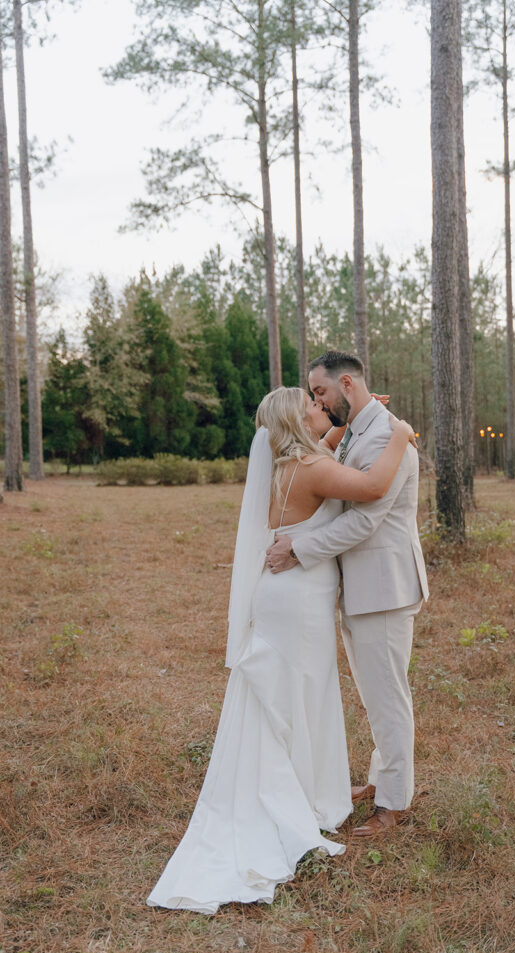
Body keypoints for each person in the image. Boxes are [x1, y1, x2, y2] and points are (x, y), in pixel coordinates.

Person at [147, 386, 415, 913]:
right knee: (296, 692)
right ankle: (291, 797)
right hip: (297, 601)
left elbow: (330, 438)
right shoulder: (313, 470)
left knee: (292, 693)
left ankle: (304, 789)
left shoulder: (292, 464)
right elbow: (374, 483)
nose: (324, 411)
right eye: (315, 408)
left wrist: (358, 416)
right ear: (299, 422)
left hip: (291, 597)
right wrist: (400, 433)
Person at [267, 351, 429, 837]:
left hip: (383, 587)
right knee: (375, 692)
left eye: (319, 392)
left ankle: (394, 803)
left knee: (388, 696)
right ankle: (382, 781)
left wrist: (299, 548)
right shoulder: (360, 427)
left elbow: (365, 519)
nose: (316, 401)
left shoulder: (383, 433)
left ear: (345, 384)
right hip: (362, 588)